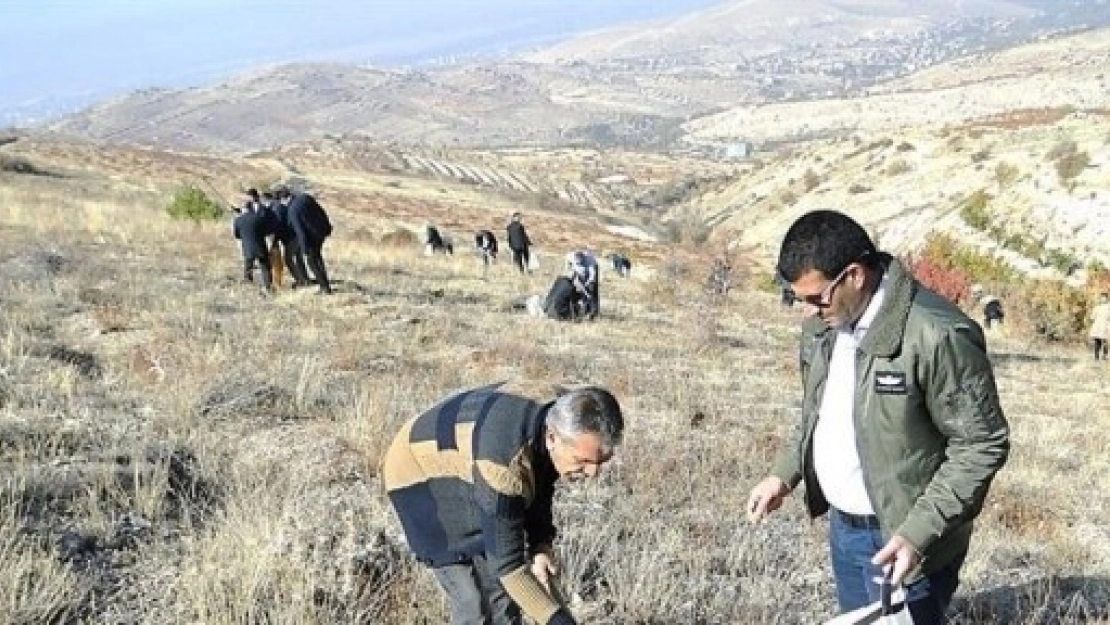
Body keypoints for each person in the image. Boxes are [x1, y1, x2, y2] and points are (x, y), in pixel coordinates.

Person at [746, 210, 1010, 623]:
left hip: (907, 543)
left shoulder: (936, 335)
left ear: (854, 275)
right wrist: (783, 474)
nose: (809, 312)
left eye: (817, 298)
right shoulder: (824, 326)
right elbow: (817, 413)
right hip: (844, 529)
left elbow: (981, 444)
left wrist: (916, 534)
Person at [382, 380, 625, 625]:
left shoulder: (557, 419)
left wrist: (541, 544)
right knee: (475, 603)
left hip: (474, 456)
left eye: (601, 462)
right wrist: (559, 621)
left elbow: (539, 481)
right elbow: (508, 566)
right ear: (552, 437)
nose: (593, 473)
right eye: (583, 461)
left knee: (503, 598)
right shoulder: (503, 465)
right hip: (419, 475)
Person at [276, 185, 333, 294]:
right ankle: (325, 282)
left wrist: (304, 249)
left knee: (312, 262)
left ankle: (324, 288)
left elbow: (300, 231)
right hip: (321, 232)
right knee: (318, 258)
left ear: (283, 199)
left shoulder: (292, 210)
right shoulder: (305, 197)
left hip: (311, 236)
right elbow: (321, 211)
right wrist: (327, 226)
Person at [232, 196, 277, 293]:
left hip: (247, 247)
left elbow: (237, 235)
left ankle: (248, 283)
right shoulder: (259, 218)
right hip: (260, 246)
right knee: (265, 267)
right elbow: (267, 231)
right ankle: (268, 286)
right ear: (251, 207)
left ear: (243, 208)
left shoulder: (238, 220)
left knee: (248, 266)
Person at [270, 187, 310, 289]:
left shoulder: (277, 208)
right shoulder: (284, 207)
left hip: (290, 238)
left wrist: (274, 240)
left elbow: (278, 225)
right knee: (299, 258)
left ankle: (300, 280)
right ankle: (305, 278)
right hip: (295, 236)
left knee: (288, 260)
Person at [566, 250, 599, 320]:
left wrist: (587, 284)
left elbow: (592, 275)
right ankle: (575, 310)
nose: (579, 263)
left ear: (583, 258)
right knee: (574, 290)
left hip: (589, 272)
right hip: (577, 274)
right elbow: (568, 270)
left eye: (580, 262)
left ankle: (592, 312)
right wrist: (574, 279)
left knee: (591, 290)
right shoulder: (569, 257)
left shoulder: (590, 261)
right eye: (577, 263)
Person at [1091, 292, 1110, 360]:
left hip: (1106, 325)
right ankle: (1096, 357)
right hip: (1098, 325)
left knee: (1105, 340)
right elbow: (1092, 317)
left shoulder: (1108, 307)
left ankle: (1104, 356)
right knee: (1097, 341)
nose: (1103, 299)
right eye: (1102, 298)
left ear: (1107, 298)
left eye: (1104, 298)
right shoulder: (1097, 307)